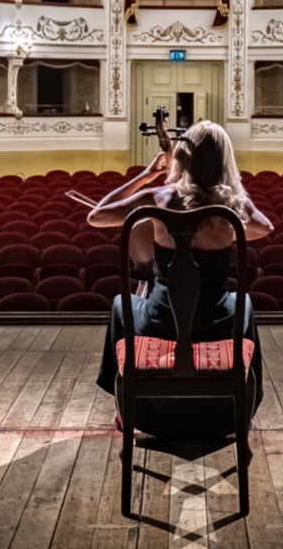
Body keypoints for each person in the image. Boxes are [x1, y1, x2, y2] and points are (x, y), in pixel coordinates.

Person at [87, 120, 272, 437]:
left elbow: (96, 216)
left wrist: (147, 177)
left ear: (183, 156)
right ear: (225, 159)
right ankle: (244, 411)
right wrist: (230, 204)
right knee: (246, 303)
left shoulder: (160, 197)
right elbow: (264, 228)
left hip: (159, 322)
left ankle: (124, 410)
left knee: (122, 303)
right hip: (218, 322)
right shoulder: (233, 206)